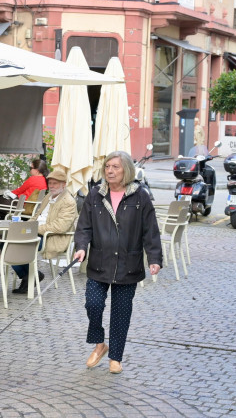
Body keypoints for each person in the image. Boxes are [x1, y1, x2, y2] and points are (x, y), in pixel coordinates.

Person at [73, 151, 162, 374]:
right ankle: (99, 344)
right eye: (107, 167)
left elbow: (150, 231)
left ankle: (116, 357)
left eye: (115, 167)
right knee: (92, 304)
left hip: (128, 264)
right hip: (99, 262)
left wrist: (154, 259)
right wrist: (81, 247)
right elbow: (84, 226)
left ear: (127, 171)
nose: (110, 171)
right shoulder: (95, 195)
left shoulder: (140, 197)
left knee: (121, 311)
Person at [11, 170, 77, 294]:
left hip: (52, 238)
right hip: (35, 232)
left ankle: (30, 276)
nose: (51, 186)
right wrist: (27, 225)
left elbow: (60, 227)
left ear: (64, 184)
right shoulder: (48, 196)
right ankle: (30, 275)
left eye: (55, 183)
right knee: (7, 243)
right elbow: (36, 216)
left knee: (20, 245)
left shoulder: (68, 201)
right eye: (50, 183)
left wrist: (34, 229)